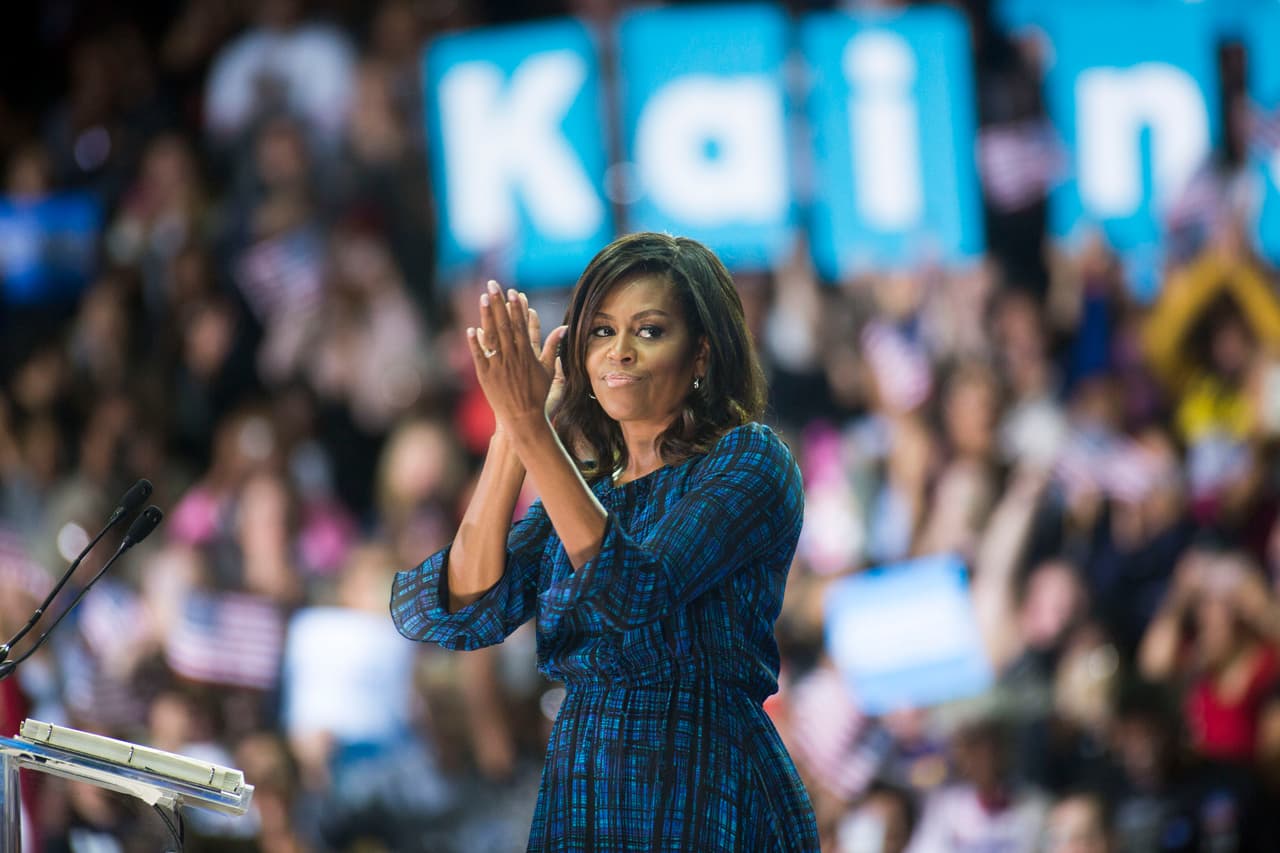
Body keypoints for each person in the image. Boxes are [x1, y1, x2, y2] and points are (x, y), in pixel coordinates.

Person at [390, 232, 819, 851]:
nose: (619, 352)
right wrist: (512, 436)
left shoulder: (749, 460)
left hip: (705, 782)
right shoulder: (592, 493)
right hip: (586, 792)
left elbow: (633, 592)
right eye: (600, 332)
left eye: (649, 331)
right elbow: (451, 611)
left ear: (701, 354)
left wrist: (534, 429)